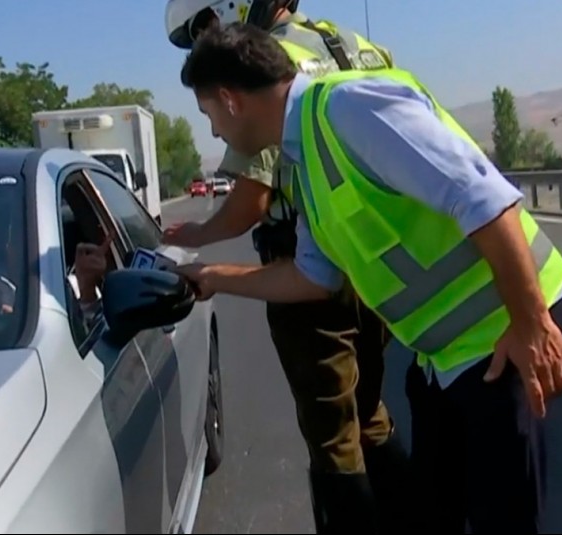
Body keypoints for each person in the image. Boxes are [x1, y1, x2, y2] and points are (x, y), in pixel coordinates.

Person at [174, 23, 562, 534]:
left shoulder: (347, 109)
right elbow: (312, 277)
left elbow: (485, 199)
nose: (214, 133)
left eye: (208, 115)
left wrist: (530, 321)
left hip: (505, 333)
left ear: (230, 100)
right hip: (448, 358)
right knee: (434, 512)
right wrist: (213, 276)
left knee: (505, 518)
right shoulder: (304, 159)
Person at [164, 1, 409, 533]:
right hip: (379, 263)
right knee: (370, 413)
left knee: (334, 440)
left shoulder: (266, 68)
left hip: (309, 264)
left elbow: (250, 203)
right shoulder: (346, 42)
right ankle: (415, 518)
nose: (211, 43)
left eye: (205, 29)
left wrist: (194, 236)